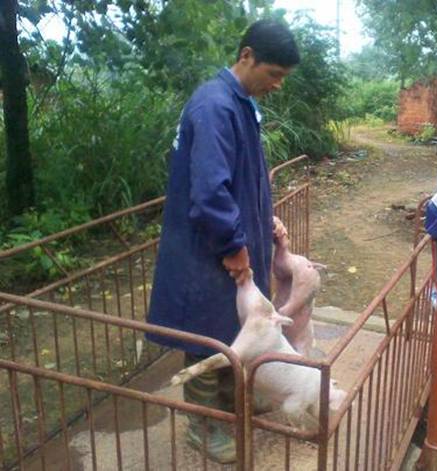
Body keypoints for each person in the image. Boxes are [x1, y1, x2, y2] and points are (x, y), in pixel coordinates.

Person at [145, 19, 300, 463]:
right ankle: (202, 423)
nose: (278, 84)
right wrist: (233, 246)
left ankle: (233, 401)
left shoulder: (239, 102)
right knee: (206, 335)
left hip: (228, 240)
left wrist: (263, 216)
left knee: (237, 326)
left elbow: (241, 176)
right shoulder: (214, 105)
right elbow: (210, 192)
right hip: (206, 249)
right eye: (274, 74)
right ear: (246, 56)